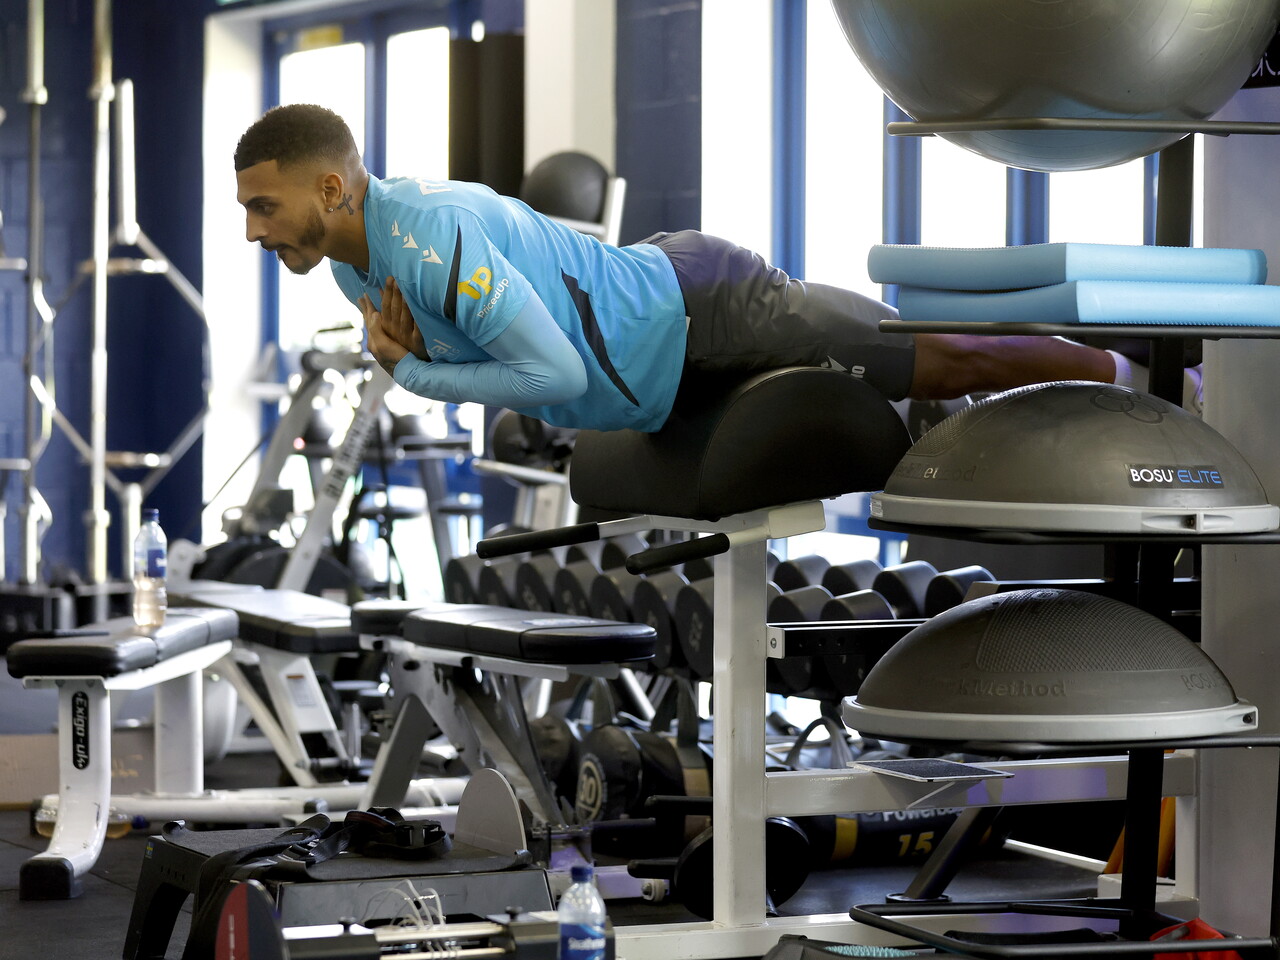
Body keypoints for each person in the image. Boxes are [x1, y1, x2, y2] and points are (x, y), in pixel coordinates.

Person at [233, 104, 1189, 433]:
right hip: (662, 346)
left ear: (331, 187)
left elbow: (556, 376)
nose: (252, 234)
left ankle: (1136, 374)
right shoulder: (352, 267)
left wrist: (412, 375)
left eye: (263, 208)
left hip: (708, 303)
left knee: (938, 360)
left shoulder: (431, 242)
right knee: (920, 371)